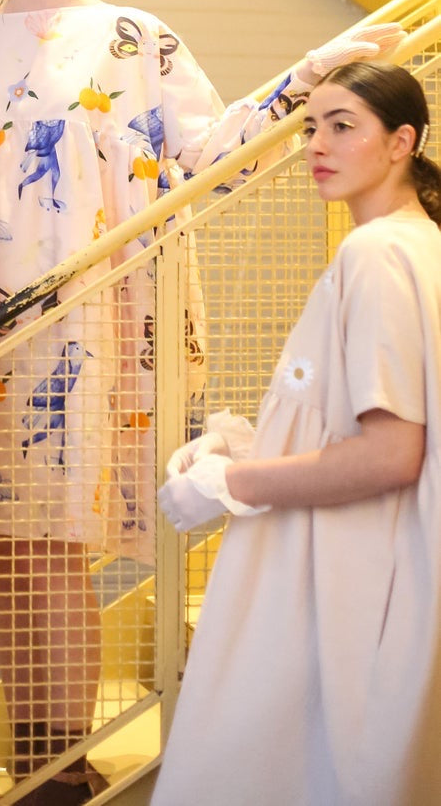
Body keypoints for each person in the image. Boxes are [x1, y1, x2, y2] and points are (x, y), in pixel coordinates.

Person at [0, 0, 404, 803]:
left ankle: (62, 765)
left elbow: (213, 149)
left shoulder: (134, 37)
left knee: (61, 542)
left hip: (98, 323)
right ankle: (36, 758)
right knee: (13, 549)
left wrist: (311, 74)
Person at [155, 60, 441, 806]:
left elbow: (391, 452)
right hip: (363, 561)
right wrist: (244, 445)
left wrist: (228, 483)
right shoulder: (413, 244)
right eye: (311, 125)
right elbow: (361, 424)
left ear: (401, 141)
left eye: (343, 126)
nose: (317, 143)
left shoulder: (376, 253)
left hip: (346, 573)